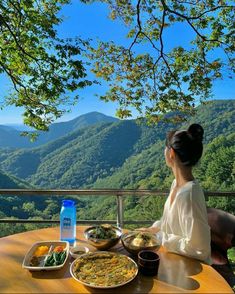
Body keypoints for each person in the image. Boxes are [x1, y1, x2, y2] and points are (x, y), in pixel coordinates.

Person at [140, 123, 212, 264]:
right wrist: (153, 229)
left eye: (166, 147)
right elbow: (171, 223)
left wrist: (159, 236)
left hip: (189, 270)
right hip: (172, 259)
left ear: (171, 153)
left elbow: (199, 249)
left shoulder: (189, 194)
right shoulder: (176, 185)